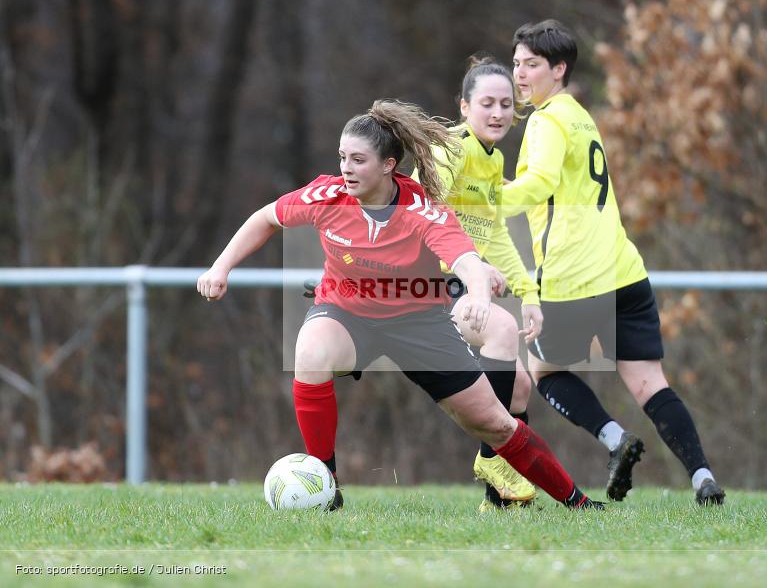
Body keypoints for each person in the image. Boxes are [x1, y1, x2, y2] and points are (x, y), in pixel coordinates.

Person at [197, 99, 605, 510]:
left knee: (496, 424)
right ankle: (325, 485)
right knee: (310, 349)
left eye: (358, 160)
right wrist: (221, 267)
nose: (346, 169)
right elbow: (266, 217)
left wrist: (480, 296)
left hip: (419, 324)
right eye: (342, 157)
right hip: (346, 314)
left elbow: (467, 262)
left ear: (389, 165)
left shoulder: (421, 210)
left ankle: (578, 503)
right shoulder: (327, 195)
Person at [501, 20, 726, 505]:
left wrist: (481, 199)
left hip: (573, 277)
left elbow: (537, 184)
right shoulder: (579, 114)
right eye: (516, 63)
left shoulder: (545, 120)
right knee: (648, 382)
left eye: (532, 65)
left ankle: (614, 439)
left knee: (543, 373)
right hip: (625, 270)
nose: (520, 74)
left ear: (558, 69)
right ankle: (702, 476)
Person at [413, 55, 542, 512]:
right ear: (463, 107)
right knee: (502, 332)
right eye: (486, 103)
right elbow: (423, 212)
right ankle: (493, 460)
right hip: (422, 286)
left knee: (521, 387)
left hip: (456, 281)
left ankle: (502, 501)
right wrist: (472, 264)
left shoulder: (494, 157)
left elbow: (496, 230)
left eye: (506, 104)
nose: (498, 113)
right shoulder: (450, 148)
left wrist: (528, 292)